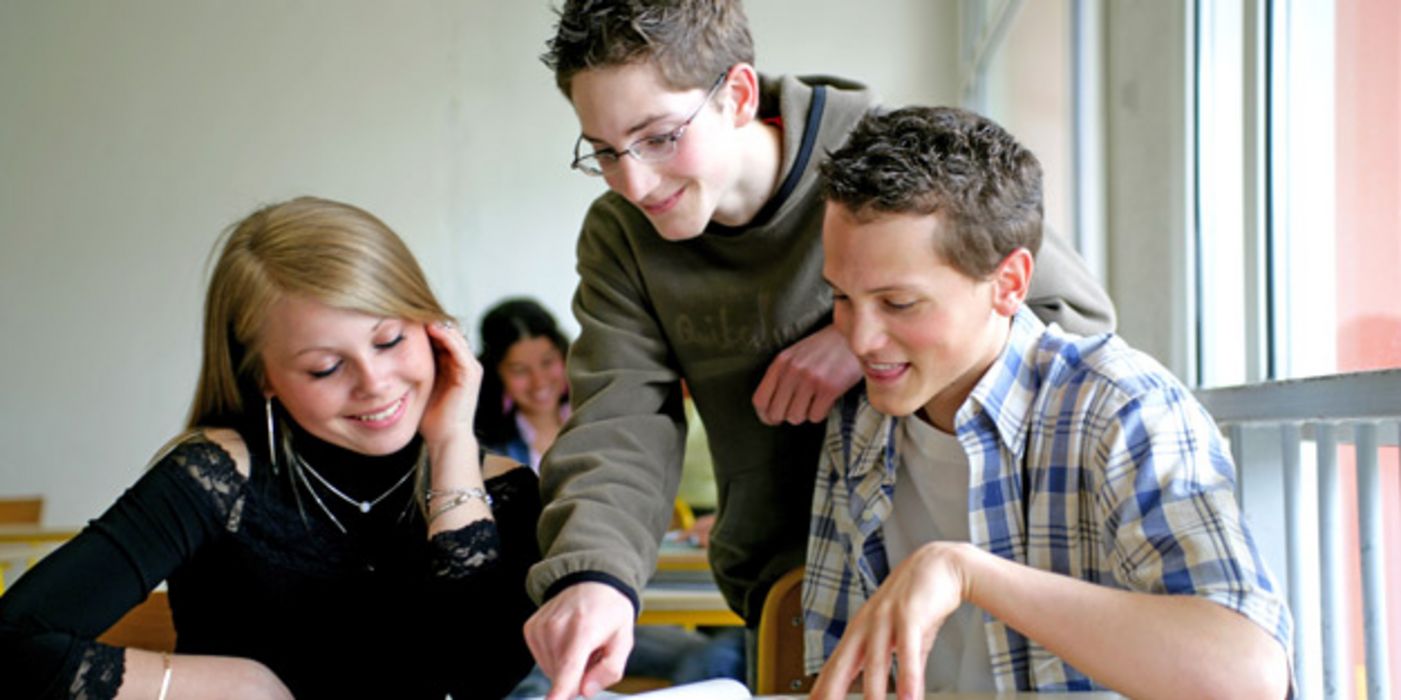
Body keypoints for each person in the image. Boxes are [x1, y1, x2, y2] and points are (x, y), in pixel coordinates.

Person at [522, 2, 1118, 698]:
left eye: (657, 138)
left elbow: (1072, 321)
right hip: (793, 588)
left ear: (737, 95)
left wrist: (856, 337)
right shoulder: (620, 234)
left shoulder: (892, 167)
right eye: (602, 150)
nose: (633, 183)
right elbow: (621, 420)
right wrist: (596, 576)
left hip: (972, 571)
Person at [803, 107, 1293, 699]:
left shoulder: (1122, 409)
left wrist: (967, 572)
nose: (859, 339)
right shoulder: (860, 423)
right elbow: (833, 666)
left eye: (900, 303)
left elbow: (1249, 678)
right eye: (842, 298)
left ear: (1009, 284)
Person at [0, 197, 540, 699]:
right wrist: (232, 685)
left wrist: (451, 447)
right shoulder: (216, 476)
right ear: (263, 377)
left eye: (390, 340)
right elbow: (14, 641)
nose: (374, 382)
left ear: (434, 329)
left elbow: (478, 674)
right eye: (325, 367)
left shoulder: (504, 489)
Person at [476, 297, 572, 473]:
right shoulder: (488, 452)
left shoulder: (600, 417)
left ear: (564, 355)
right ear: (496, 373)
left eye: (547, 362)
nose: (539, 381)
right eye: (520, 370)